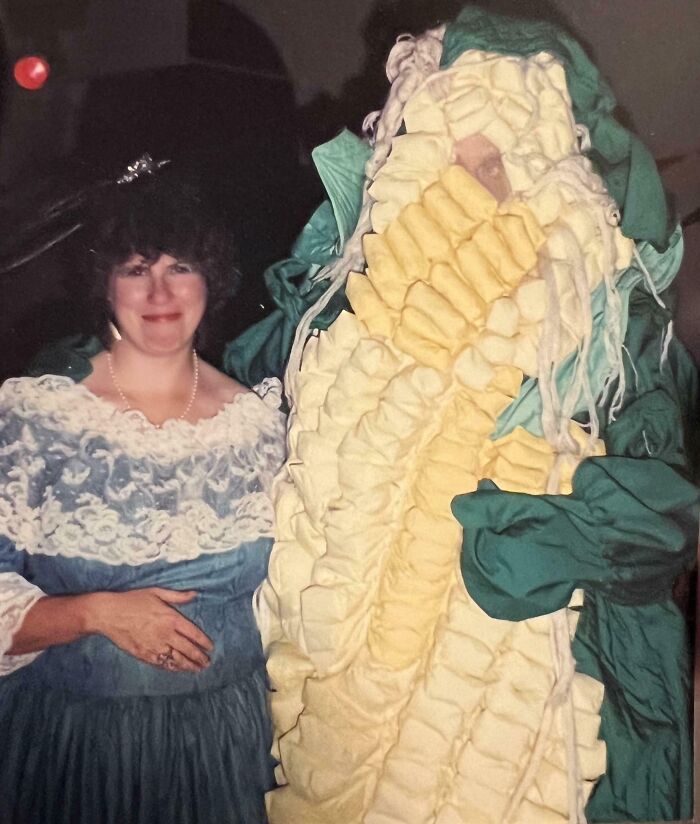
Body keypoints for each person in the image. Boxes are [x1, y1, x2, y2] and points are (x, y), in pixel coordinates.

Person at [225, 7, 699, 824]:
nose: (478, 178)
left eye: (501, 154)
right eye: (454, 148)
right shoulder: (335, 323)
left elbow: (664, 517)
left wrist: (567, 533)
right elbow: (233, 429)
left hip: (515, 687)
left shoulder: (599, 349)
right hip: (340, 680)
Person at [0, 174, 286, 824]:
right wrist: (95, 613)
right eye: (135, 269)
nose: (159, 292)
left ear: (210, 280)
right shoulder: (38, 417)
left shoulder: (260, 424)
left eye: (180, 267)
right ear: (105, 284)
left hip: (230, 755)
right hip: (82, 758)